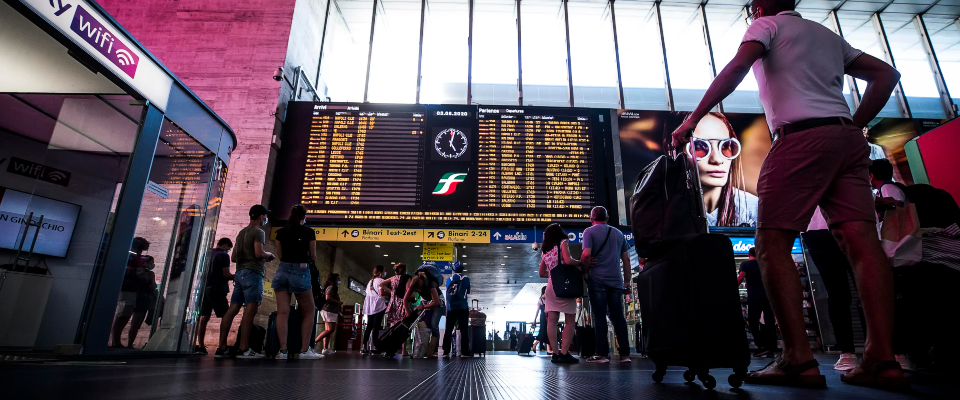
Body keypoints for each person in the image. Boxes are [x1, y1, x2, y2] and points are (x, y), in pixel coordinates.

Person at [670, 0, 905, 389]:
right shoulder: (826, 35)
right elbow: (886, 75)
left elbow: (736, 69)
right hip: (846, 140)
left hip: (800, 139)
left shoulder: (767, 28)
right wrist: (852, 125)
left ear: (758, 7)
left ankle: (798, 359)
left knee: (771, 243)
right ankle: (883, 359)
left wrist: (692, 120)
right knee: (863, 244)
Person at [216, 205, 274, 359]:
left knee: (233, 309)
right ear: (261, 217)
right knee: (251, 309)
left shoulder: (241, 233)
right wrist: (269, 255)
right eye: (265, 216)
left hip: (240, 273)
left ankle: (221, 347)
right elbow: (258, 253)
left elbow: (234, 257)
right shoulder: (258, 232)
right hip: (252, 273)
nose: (266, 219)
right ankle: (244, 348)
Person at [684, 112, 759, 227]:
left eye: (725, 146)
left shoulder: (755, 209)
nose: (717, 160)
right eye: (699, 146)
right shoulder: (658, 209)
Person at [580, 207, 632, 364]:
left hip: (597, 280)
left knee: (600, 316)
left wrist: (585, 272)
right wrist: (627, 281)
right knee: (618, 317)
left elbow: (586, 254)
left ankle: (602, 354)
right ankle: (625, 355)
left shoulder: (589, 232)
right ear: (608, 218)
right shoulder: (618, 233)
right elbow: (626, 260)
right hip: (616, 282)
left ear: (591, 219)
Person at [272, 204, 323, 360]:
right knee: (309, 311)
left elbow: (280, 255)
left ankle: (283, 351)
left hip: (282, 270)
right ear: (304, 216)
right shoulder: (309, 232)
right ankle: (304, 350)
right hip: (300, 271)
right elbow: (313, 256)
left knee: (282, 312)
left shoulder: (280, 232)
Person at [538, 223, 581, 364]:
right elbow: (568, 261)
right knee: (570, 320)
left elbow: (541, 273)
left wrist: (552, 274)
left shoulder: (545, 250)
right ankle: (564, 353)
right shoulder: (563, 242)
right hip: (564, 285)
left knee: (552, 321)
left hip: (551, 286)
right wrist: (581, 262)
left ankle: (555, 354)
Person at [111, 237, 154, 349]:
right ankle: (115, 342)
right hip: (127, 289)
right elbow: (129, 272)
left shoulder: (135, 257)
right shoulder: (132, 257)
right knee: (122, 315)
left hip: (132, 289)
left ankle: (117, 342)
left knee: (125, 315)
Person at [196, 238, 233, 354]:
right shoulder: (223, 256)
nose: (228, 251)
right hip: (217, 289)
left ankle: (200, 345)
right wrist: (236, 276)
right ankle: (222, 347)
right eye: (229, 248)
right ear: (225, 245)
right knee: (226, 316)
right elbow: (226, 274)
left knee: (204, 317)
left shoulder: (207, 253)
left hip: (204, 288)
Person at [738, 247, 777, 357]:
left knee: (753, 321)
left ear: (748, 254)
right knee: (769, 322)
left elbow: (741, 277)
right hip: (768, 296)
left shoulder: (745, 264)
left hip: (754, 297)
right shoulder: (765, 264)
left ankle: (761, 346)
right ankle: (771, 348)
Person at [411, 262, 445, 358]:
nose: (417, 292)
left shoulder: (431, 285)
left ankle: (433, 350)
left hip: (438, 303)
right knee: (422, 325)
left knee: (434, 325)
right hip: (426, 302)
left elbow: (436, 302)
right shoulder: (415, 283)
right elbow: (406, 298)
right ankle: (421, 348)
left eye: (418, 291)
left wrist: (423, 307)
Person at [443, 261, 472, 358]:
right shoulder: (466, 279)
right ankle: (464, 352)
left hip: (451, 308)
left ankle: (446, 352)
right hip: (462, 307)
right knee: (464, 330)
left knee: (448, 329)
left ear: (453, 270)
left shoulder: (449, 280)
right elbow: (468, 291)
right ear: (462, 269)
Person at [361, 265, 387, 355]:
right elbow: (381, 292)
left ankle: (364, 346)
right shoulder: (381, 281)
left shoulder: (370, 282)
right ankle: (375, 346)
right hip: (378, 305)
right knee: (376, 327)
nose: (385, 272)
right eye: (384, 271)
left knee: (369, 326)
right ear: (380, 272)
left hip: (370, 305)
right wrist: (390, 293)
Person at [315, 273, 343, 355]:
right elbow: (328, 298)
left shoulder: (333, 288)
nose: (339, 281)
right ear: (334, 280)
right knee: (331, 329)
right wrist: (338, 302)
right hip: (329, 310)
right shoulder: (331, 287)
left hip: (330, 311)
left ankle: (325, 348)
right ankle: (315, 341)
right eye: (338, 279)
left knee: (328, 330)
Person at [532, 286, 551, 354]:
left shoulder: (547, 299)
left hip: (546, 316)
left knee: (548, 332)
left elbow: (538, 311)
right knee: (544, 332)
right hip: (544, 317)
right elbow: (537, 310)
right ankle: (535, 344)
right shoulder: (541, 299)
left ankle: (548, 349)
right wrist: (534, 320)